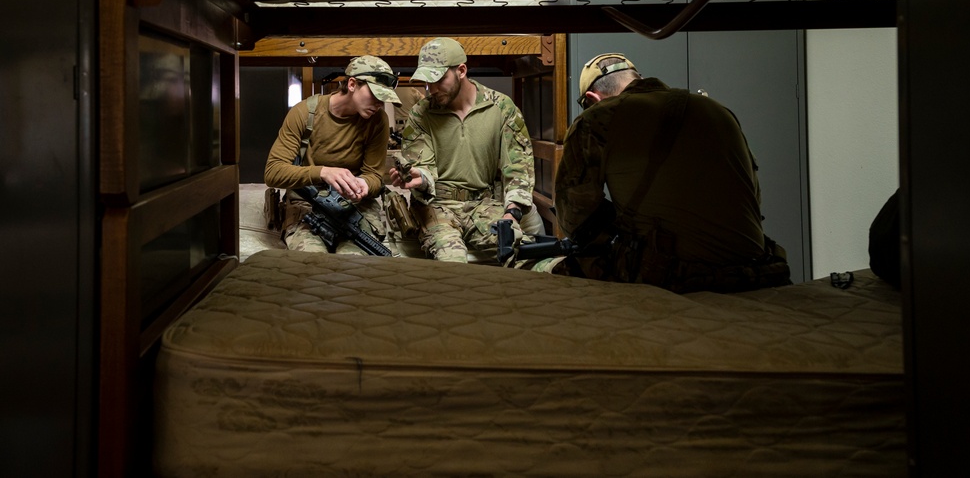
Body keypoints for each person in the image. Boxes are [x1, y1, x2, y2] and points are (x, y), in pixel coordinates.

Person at [546, 52, 791, 292]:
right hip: (758, 270)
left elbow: (576, 219)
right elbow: (753, 198)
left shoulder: (597, 119)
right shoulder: (718, 110)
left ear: (591, 99)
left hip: (679, 276)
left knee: (549, 269)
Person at [389, 37, 536, 262]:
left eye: (439, 79)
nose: (432, 89)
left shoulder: (500, 107)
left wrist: (512, 212)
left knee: (523, 253)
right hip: (437, 205)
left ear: (461, 70)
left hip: (485, 205)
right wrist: (421, 177)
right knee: (452, 261)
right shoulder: (421, 113)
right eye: (427, 82)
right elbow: (422, 166)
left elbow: (518, 168)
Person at [265, 55, 401, 254]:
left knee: (353, 265)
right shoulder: (304, 113)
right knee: (312, 265)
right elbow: (273, 172)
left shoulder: (377, 120)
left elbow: (374, 176)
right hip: (307, 204)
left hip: (353, 208)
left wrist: (363, 185)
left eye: (384, 98)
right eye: (375, 95)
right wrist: (322, 173)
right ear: (352, 84)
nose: (380, 104)